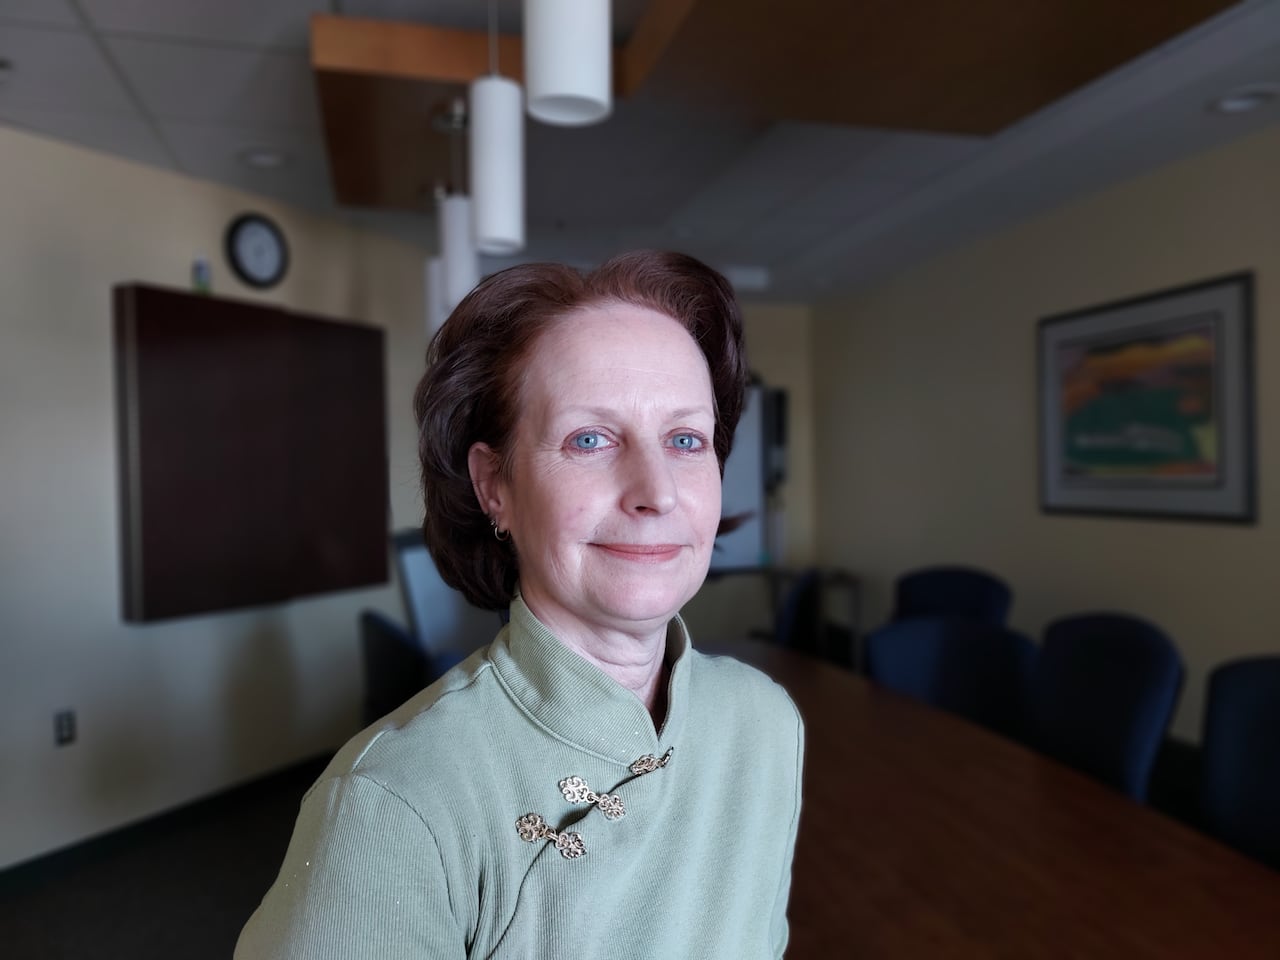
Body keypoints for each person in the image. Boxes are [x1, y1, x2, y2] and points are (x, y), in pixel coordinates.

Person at [235, 250, 804, 959]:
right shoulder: (394, 803)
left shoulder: (766, 723)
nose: (656, 492)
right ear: (494, 486)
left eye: (686, 439)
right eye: (590, 439)